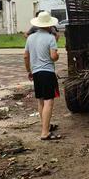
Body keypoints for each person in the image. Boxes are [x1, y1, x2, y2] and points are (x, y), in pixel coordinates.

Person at [24, 11, 61, 140]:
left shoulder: (30, 38)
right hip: (47, 73)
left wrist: (29, 70)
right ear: (49, 25)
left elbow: (25, 56)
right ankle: (45, 132)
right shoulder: (51, 38)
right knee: (49, 101)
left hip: (36, 73)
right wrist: (57, 55)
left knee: (40, 101)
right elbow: (53, 57)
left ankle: (45, 126)